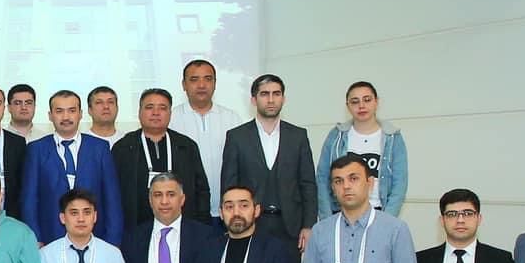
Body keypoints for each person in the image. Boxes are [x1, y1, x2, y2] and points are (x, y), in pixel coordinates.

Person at [220, 74, 318, 250]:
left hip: (291, 226)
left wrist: (309, 225)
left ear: (283, 98)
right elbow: (229, 184)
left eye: (276, 94)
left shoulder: (298, 136)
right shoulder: (236, 137)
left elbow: (308, 184)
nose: (271, 100)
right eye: (264, 94)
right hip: (250, 225)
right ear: (253, 100)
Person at [25, 91, 122, 244]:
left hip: (96, 239)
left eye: (71, 110)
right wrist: (35, 239)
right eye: (59, 111)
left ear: (81, 114)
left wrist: (112, 241)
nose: (66, 117)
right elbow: (29, 199)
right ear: (50, 115)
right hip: (50, 239)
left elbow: (112, 199)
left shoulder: (100, 148)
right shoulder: (36, 149)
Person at [111, 89, 210, 229]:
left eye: (162, 108)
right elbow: (112, 195)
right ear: (139, 112)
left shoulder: (186, 146)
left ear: (170, 113)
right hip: (136, 229)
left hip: (183, 227)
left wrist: (202, 226)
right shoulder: (123, 147)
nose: (156, 113)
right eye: (149, 107)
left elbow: (202, 190)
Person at [315, 81, 409, 216]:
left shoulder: (393, 137)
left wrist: (387, 220)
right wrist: (326, 218)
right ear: (348, 106)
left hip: (378, 212)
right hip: (340, 213)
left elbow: (399, 185)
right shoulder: (336, 136)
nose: (361, 106)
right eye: (355, 101)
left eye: (367, 100)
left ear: (376, 102)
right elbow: (322, 179)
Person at [170, 59, 238, 222]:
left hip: (227, 212)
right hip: (187, 213)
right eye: (194, 79)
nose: (201, 85)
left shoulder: (232, 118)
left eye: (208, 79)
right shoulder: (171, 118)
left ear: (215, 83)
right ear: (184, 85)